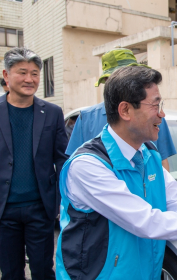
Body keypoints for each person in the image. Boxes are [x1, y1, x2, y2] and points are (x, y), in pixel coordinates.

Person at [55, 65, 177, 279]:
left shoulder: (149, 153)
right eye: (155, 105)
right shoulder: (88, 166)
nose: (162, 114)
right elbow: (145, 221)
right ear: (125, 110)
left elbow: (176, 203)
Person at [0, 47, 68, 279]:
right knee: (10, 272)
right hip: (4, 210)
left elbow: (62, 158)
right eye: (22, 72)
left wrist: (60, 201)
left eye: (35, 73)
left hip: (40, 208)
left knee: (42, 269)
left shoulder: (51, 112)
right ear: (6, 75)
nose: (30, 79)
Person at [66, 48, 176, 171]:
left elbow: (162, 163)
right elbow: (76, 164)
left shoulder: (155, 117)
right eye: (119, 79)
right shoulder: (86, 118)